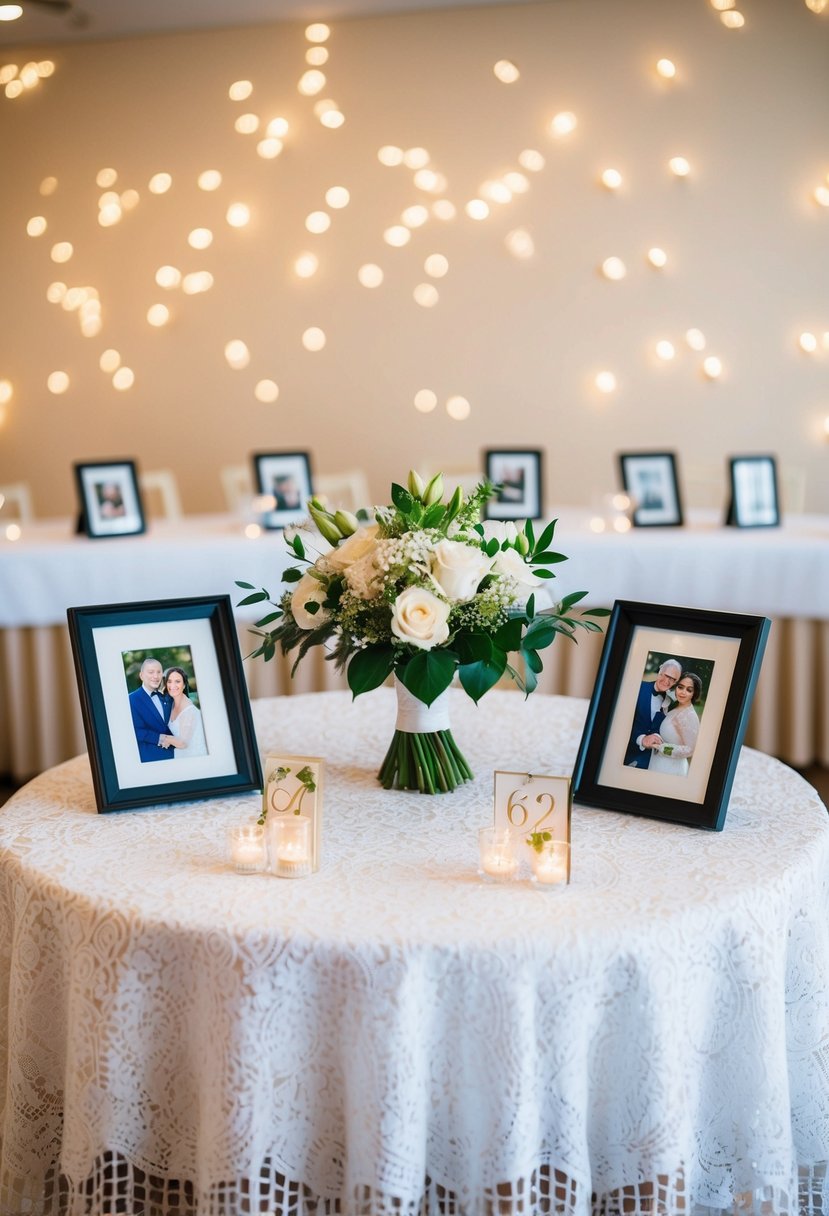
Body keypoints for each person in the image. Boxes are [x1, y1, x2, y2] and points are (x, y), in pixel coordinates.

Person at [624, 658, 682, 769]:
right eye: (666, 675)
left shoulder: (671, 703)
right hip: (627, 753)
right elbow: (621, 722)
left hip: (652, 759)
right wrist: (641, 739)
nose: (667, 681)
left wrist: (656, 735)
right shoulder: (637, 688)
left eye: (673, 679)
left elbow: (663, 730)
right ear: (660, 671)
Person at [648, 671, 702, 777]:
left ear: (694, 693)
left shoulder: (688, 715)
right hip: (658, 764)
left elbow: (690, 749)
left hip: (671, 770)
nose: (682, 692)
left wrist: (663, 748)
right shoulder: (674, 706)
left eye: (689, 690)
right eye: (680, 687)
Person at [129, 657, 174, 762]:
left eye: (159, 672)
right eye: (151, 672)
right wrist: (160, 738)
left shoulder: (167, 697)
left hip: (176, 755)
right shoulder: (131, 699)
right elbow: (134, 730)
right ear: (141, 675)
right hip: (151, 758)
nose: (156, 676)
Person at [159, 666, 208, 758]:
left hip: (194, 759)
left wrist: (162, 738)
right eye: (169, 681)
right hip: (179, 756)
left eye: (177, 681)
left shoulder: (189, 710)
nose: (172, 685)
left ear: (184, 685)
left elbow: (183, 743)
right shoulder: (172, 704)